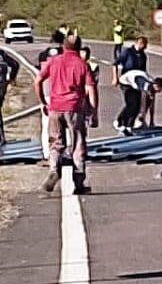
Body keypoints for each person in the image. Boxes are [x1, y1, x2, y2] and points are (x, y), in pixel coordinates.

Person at [34, 35, 98, 194]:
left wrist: (43, 102)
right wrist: (93, 112)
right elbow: (91, 88)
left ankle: (54, 169)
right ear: (79, 47)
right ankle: (78, 182)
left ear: (63, 46)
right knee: (78, 144)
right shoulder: (82, 64)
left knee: (55, 142)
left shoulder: (53, 61)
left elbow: (38, 81)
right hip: (74, 108)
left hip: (55, 107)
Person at [0, 49, 20, 146]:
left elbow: (15, 65)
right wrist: (11, 79)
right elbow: (15, 64)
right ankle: (1, 138)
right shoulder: (1, 53)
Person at [80, 46, 100, 129]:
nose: (84, 56)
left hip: (87, 95)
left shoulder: (93, 66)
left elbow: (93, 84)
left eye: (86, 54)